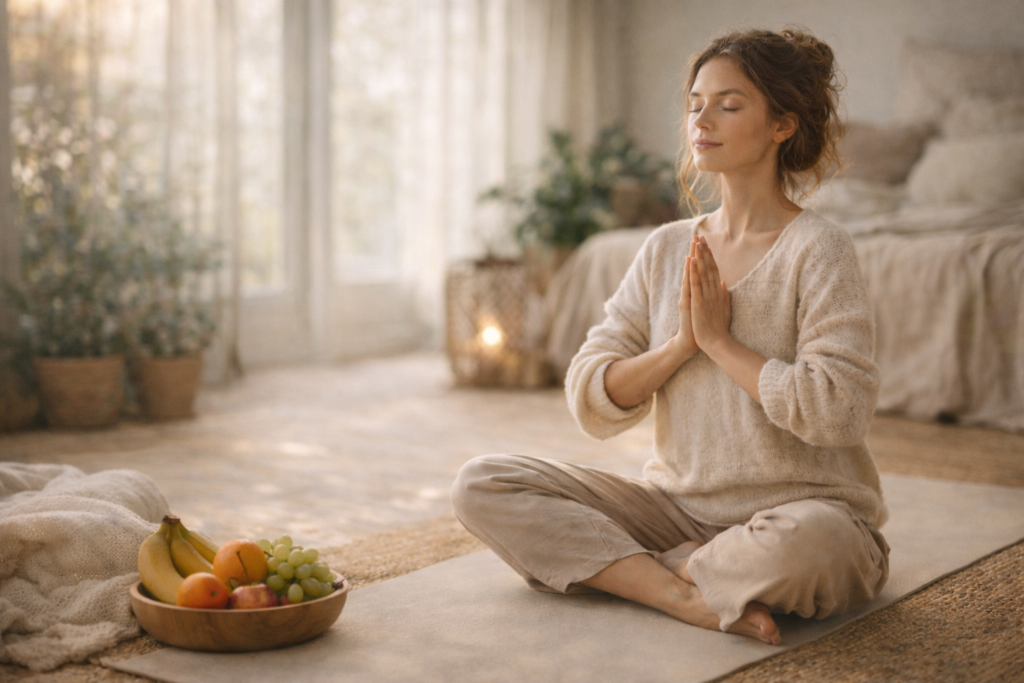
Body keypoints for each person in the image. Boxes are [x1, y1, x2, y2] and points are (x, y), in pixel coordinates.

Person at [450, 27, 889, 645]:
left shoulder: (820, 250)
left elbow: (839, 412)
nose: (701, 119)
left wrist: (719, 343)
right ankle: (683, 591)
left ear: (782, 125)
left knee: (826, 546)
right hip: (673, 511)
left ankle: (643, 571)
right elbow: (589, 393)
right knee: (482, 483)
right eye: (695, 104)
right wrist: (679, 346)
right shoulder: (664, 248)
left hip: (801, 515)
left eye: (728, 105)